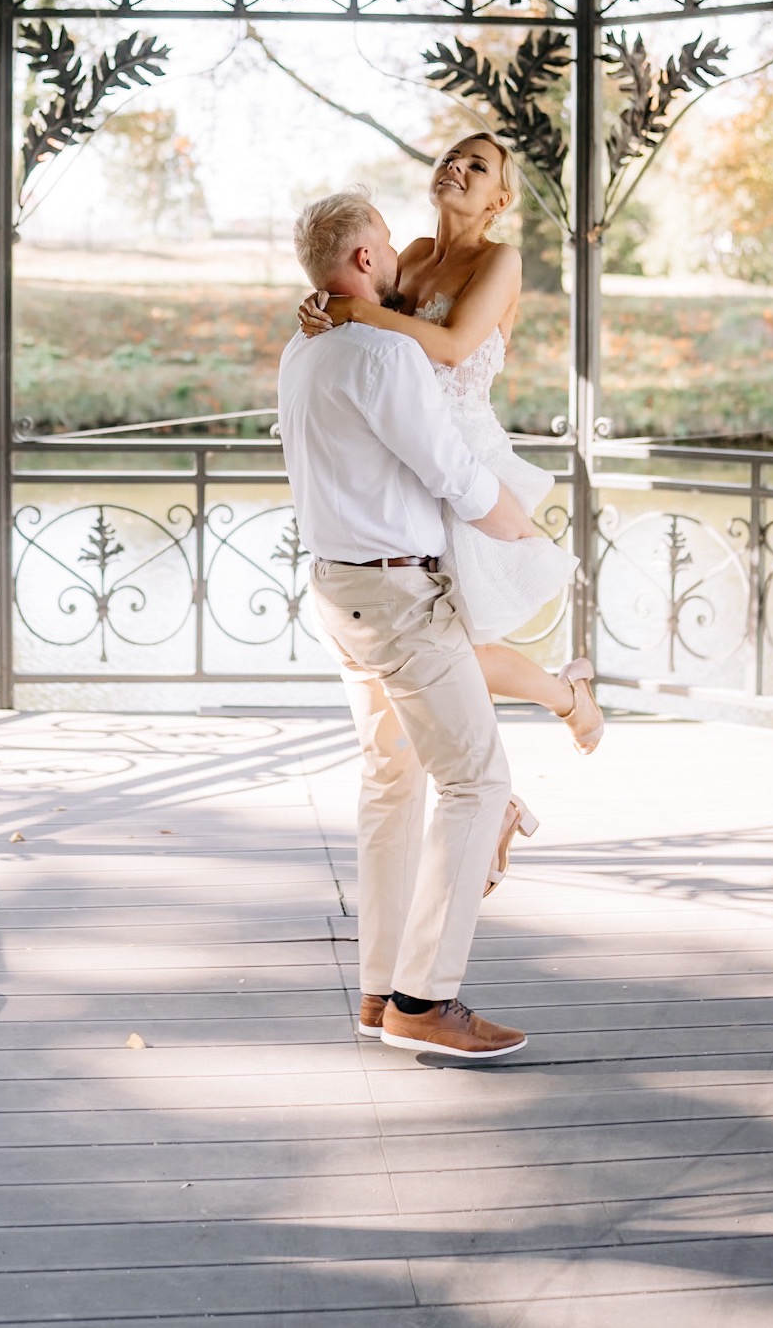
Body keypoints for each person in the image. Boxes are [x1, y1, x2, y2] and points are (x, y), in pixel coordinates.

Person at [278, 190, 540, 1059]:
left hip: (336, 592)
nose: (394, 258)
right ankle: (426, 1001)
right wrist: (517, 527)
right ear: (361, 261)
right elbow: (451, 469)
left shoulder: (300, 351)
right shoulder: (381, 356)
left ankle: (381, 986)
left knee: (391, 784)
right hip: (397, 598)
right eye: (385, 246)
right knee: (477, 781)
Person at [299, 134, 603, 755]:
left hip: (462, 459)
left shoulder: (501, 260)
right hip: (402, 457)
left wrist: (351, 311)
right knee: (432, 646)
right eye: (451, 159)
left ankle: (566, 703)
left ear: (499, 199)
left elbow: (454, 346)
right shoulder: (405, 255)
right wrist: (321, 309)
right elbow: (369, 339)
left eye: (478, 166)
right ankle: (508, 785)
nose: (457, 168)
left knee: (451, 644)